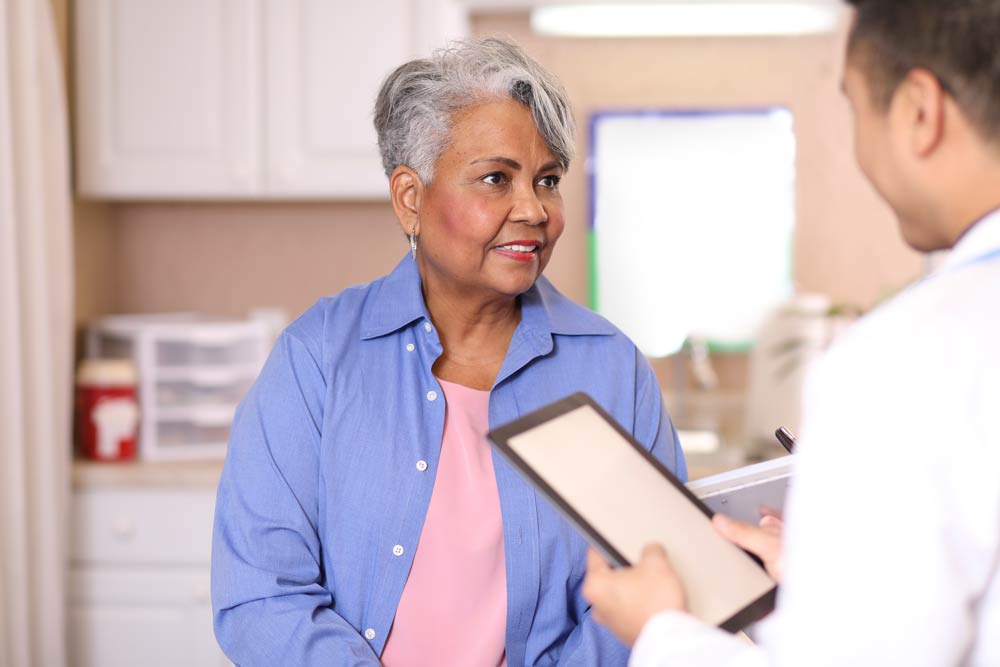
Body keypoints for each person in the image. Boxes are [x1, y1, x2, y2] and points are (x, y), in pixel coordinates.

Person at [211, 37, 686, 666]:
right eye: (496, 179)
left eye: (547, 181)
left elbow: (654, 584)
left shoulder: (611, 368)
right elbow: (260, 596)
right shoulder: (318, 357)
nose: (533, 209)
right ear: (410, 197)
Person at [582, 1, 1000, 665]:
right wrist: (829, 585)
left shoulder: (901, 361)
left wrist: (661, 629)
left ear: (920, 112)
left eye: (856, 109)